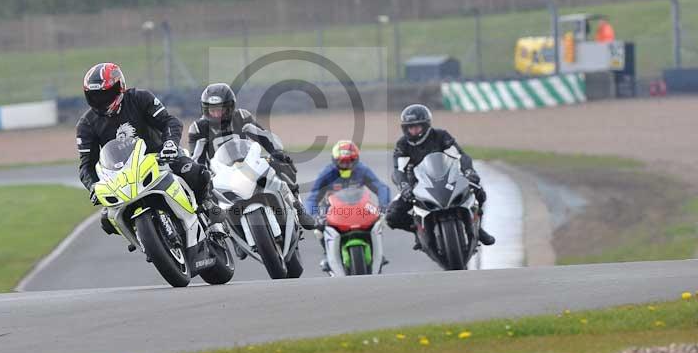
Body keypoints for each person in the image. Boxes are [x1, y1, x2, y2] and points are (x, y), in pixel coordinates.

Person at [76, 62, 223, 236]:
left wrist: (170, 144)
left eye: (106, 94)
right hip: (123, 176)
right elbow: (87, 165)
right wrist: (92, 186)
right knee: (107, 221)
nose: (102, 101)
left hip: (161, 157)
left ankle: (210, 210)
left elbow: (170, 122)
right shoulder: (86, 124)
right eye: (96, 96)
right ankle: (144, 238)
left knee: (196, 173)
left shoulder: (140, 98)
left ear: (120, 87)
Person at [187, 82, 316, 231]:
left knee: (281, 165)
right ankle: (225, 232)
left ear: (230, 107)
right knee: (203, 192)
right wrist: (201, 174)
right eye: (212, 110)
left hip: (250, 164)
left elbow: (263, 135)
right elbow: (197, 158)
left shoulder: (241, 116)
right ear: (205, 109)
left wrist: (276, 152)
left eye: (221, 110)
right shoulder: (198, 128)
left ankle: (298, 208)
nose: (216, 114)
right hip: (220, 174)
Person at [385, 104, 495, 248]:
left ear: (426, 125)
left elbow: (460, 155)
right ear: (404, 128)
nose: (413, 130)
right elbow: (398, 169)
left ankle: (477, 228)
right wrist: (404, 186)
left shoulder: (441, 135)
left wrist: (469, 171)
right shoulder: (402, 144)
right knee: (392, 216)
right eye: (409, 127)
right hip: (417, 185)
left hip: (449, 178)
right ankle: (420, 231)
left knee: (479, 191)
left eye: (417, 127)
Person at [307, 140, 392, 272]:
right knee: (319, 229)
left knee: (379, 220)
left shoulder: (362, 170)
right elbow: (313, 196)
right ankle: (327, 253)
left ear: (356, 160)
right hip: (332, 207)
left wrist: (384, 206)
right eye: (342, 161)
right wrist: (314, 215)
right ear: (335, 161)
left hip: (358, 205)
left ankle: (377, 252)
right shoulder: (327, 172)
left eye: (350, 161)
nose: (346, 165)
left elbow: (381, 187)